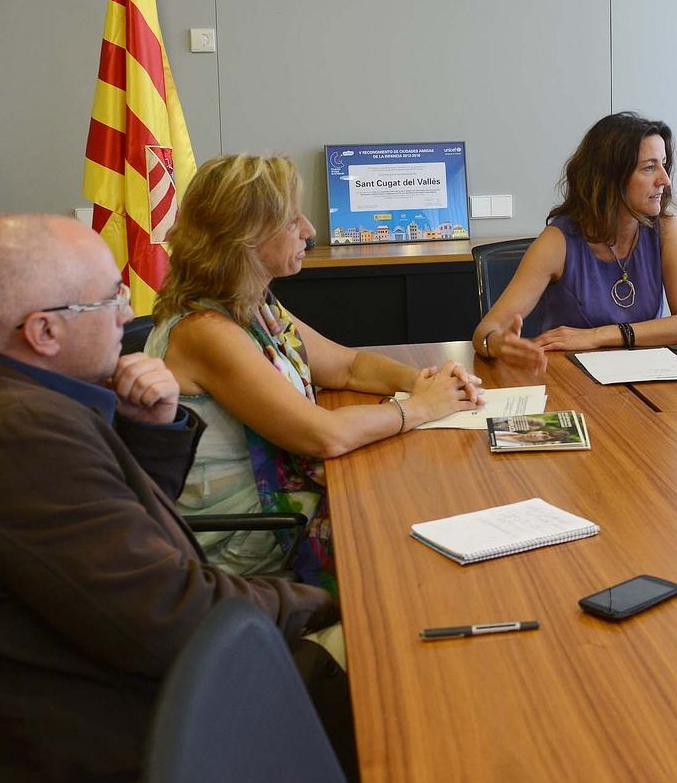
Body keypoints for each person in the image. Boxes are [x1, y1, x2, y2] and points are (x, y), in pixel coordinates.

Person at [0, 214, 356, 782]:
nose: (127, 316)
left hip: (124, 680)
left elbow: (127, 548)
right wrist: (326, 604)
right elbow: (172, 617)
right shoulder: (12, 439)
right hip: (139, 733)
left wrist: (148, 433)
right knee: (399, 659)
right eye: (110, 300)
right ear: (44, 332)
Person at [150, 153, 482, 586]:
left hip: (283, 500)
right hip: (249, 538)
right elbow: (324, 435)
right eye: (292, 222)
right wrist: (421, 408)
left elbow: (346, 366)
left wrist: (421, 381)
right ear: (245, 238)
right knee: (414, 545)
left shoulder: (253, 304)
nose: (308, 230)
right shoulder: (206, 330)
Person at [472, 111, 677, 372]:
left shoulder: (666, 228)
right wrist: (497, 343)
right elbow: (485, 331)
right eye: (649, 167)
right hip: (572, 382)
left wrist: (597, 336)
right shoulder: (557, 242)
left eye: (663, 164)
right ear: (610, 177)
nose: (665, 179)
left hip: (644, 378)